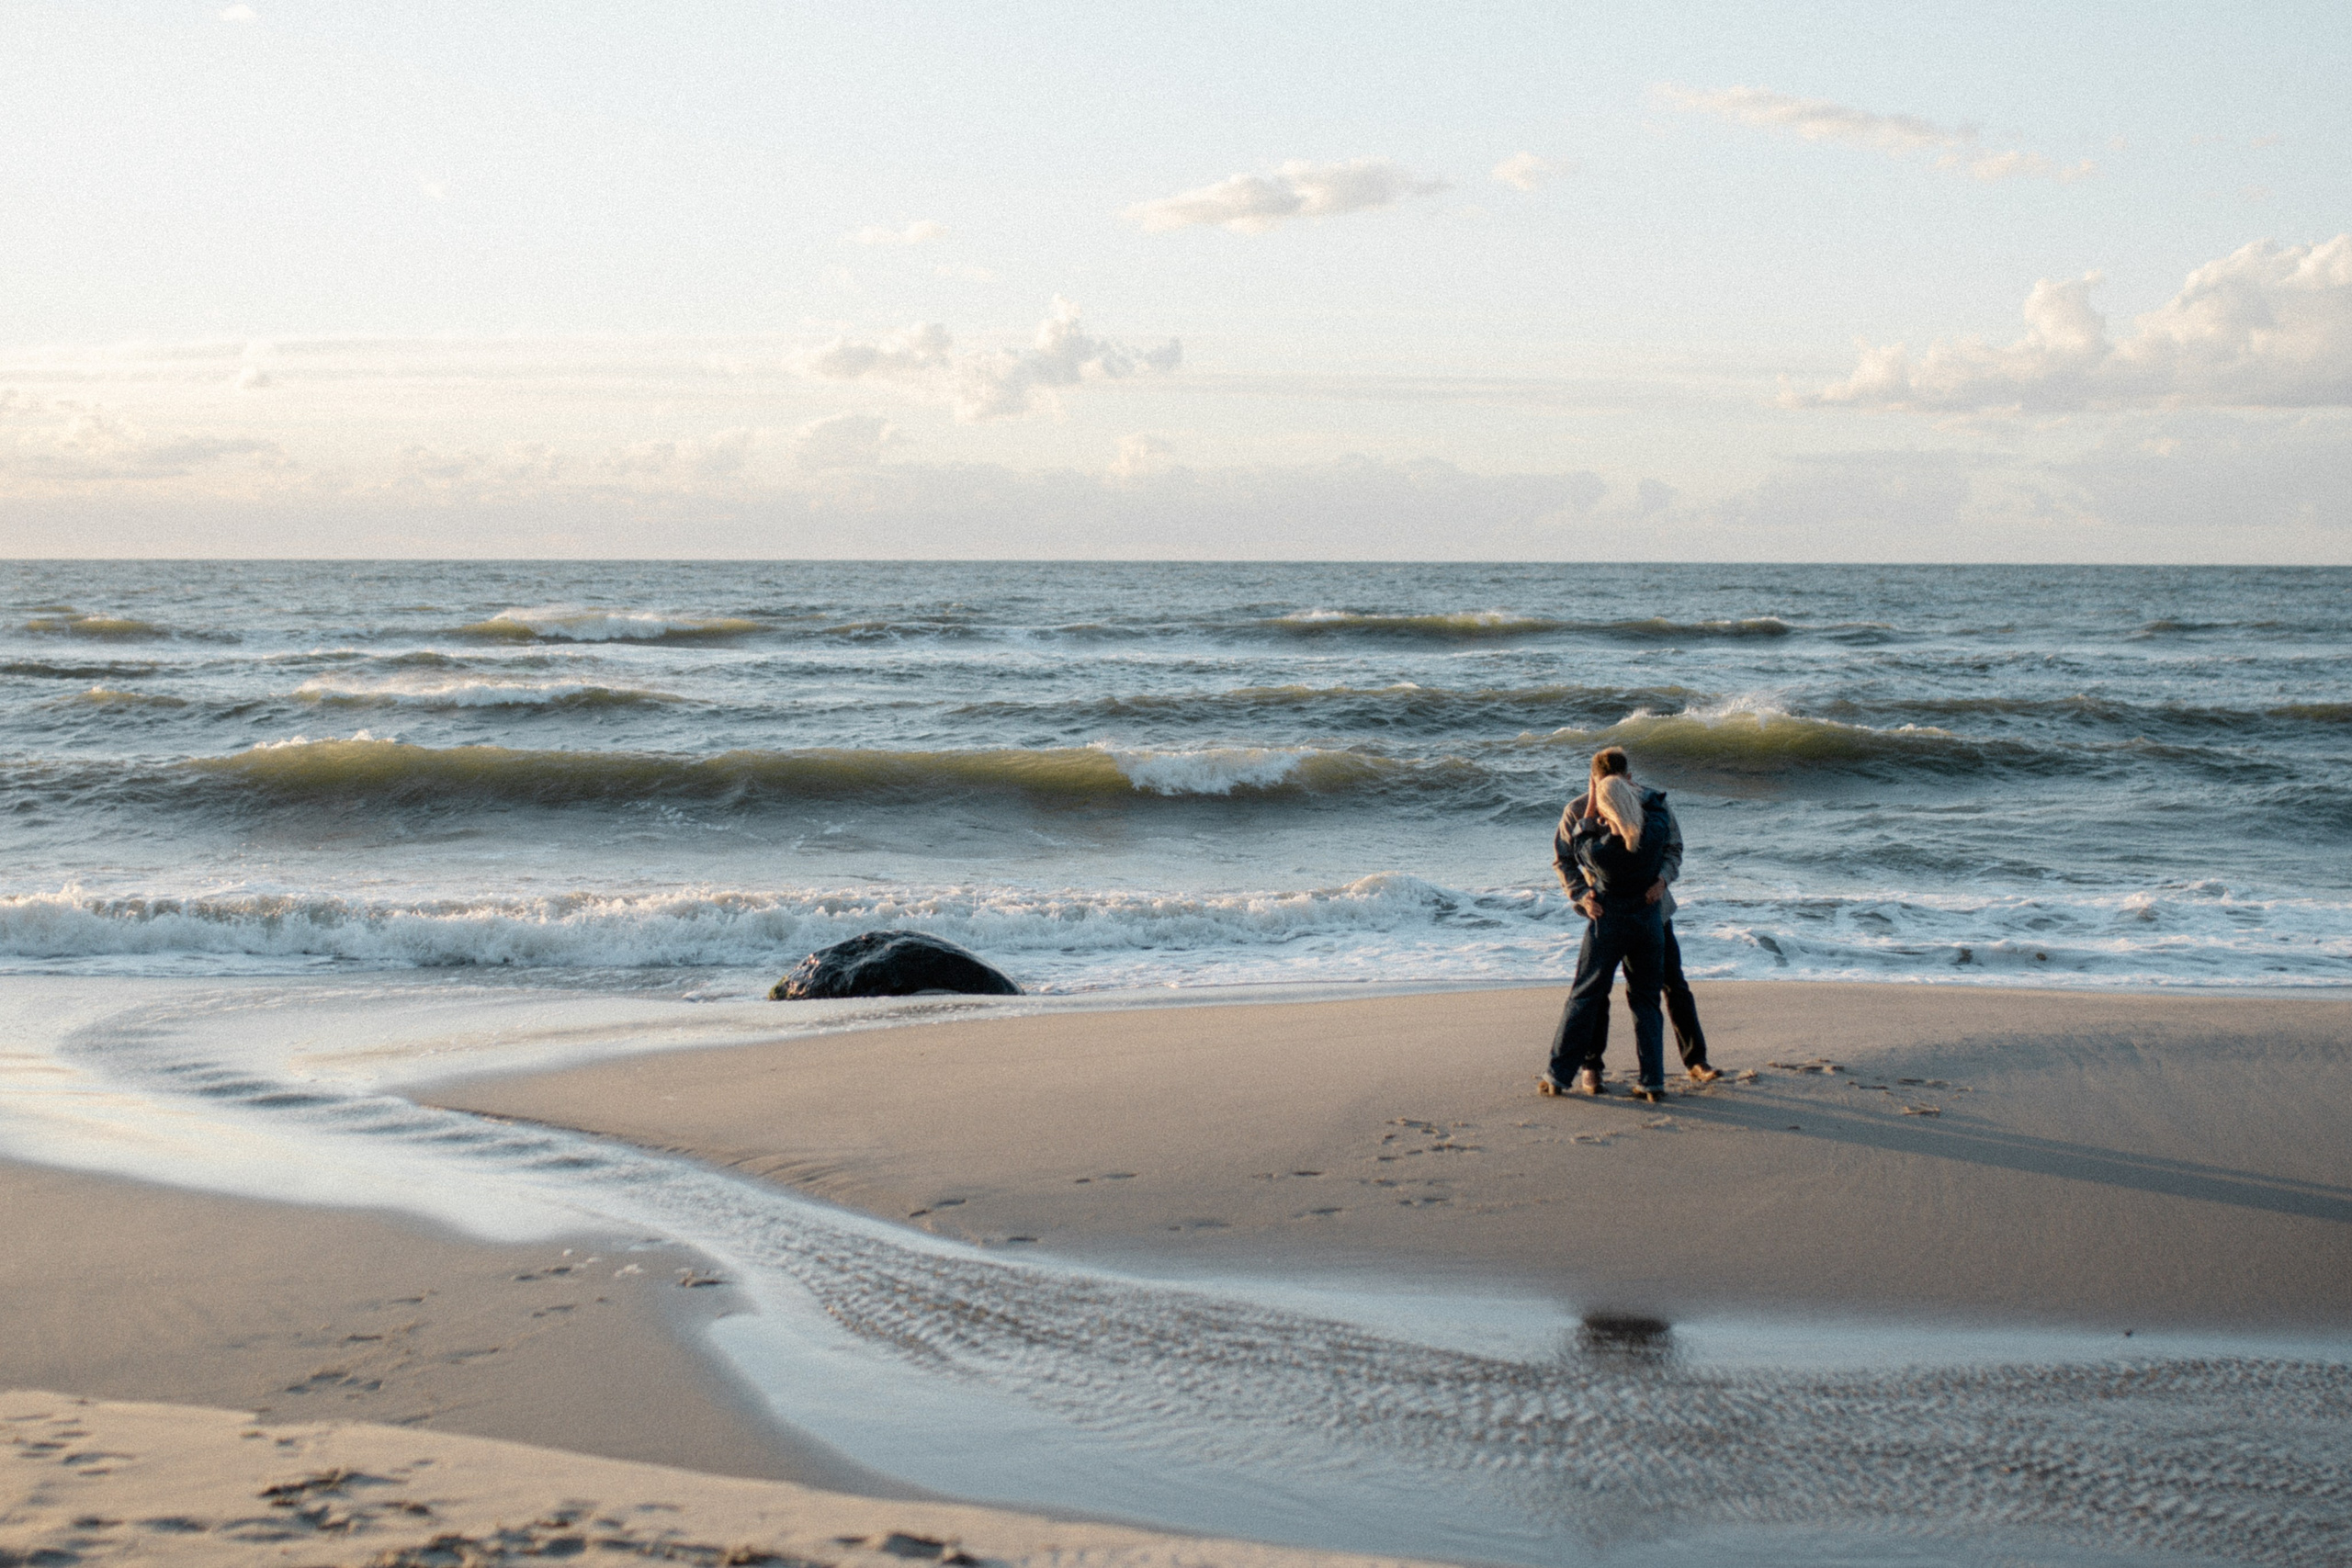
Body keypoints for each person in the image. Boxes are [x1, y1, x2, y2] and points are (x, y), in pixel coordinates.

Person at [1544, 749, 1720, 1095]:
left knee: (1672, 983)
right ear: (1594, 781)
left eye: (1623, 782)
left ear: (1629, 777)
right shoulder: (1577, 810)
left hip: (1655, 908)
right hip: (1606, 909)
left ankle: (1695, 1060)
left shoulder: (1649, 804)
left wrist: (1663, 881)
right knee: (1601, 992)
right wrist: (1581, 895)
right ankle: (1593, 1066)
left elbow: (1675, 849)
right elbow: (1563, 861)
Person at [1540, 773, 1673, 1102]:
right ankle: (1652, 1081)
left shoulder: (1598, 852)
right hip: (1647, 922)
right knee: (1646, 1001)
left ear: (1605, 810)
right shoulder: (1654, 832)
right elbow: (1657, 803)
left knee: (1585, 996)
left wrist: (1592, 795)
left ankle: (1559, 1075)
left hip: (1608, 923)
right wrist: (1632, 789)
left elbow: (1580, 834)